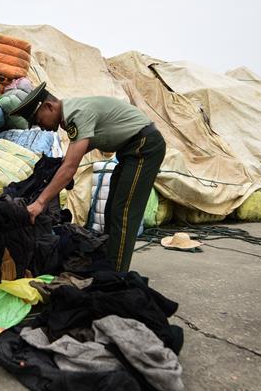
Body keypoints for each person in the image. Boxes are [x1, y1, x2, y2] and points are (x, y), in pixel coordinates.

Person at [11, 83, 166, 272]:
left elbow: (70, 168)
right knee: (111, 210)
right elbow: (78, 152)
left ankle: (116, 276)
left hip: (144, 147)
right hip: (130, 151)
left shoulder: (77, 114)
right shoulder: (72, 114)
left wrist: (40, 202)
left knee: (123, 213)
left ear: (49, 107)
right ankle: (108, 265)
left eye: (38, 120)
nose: (41, 127)